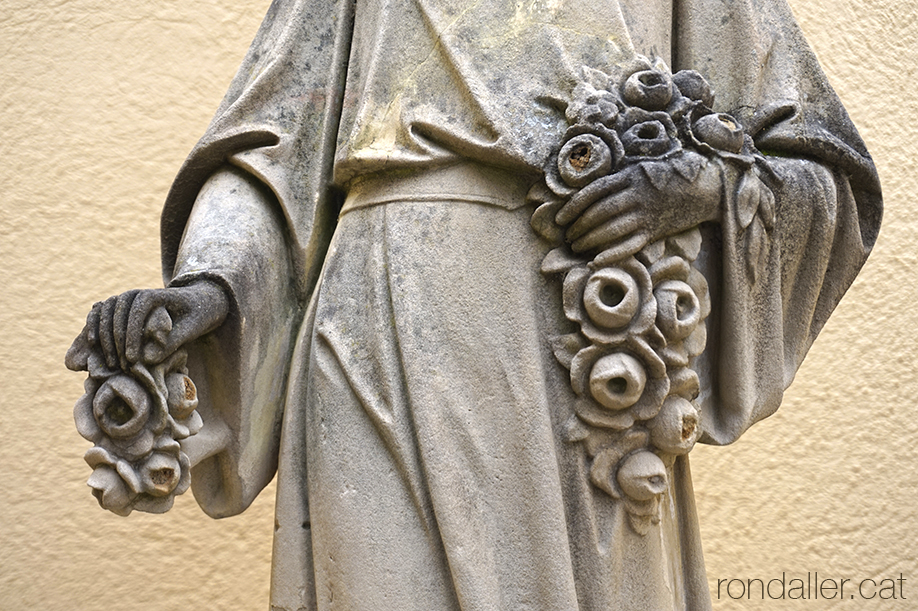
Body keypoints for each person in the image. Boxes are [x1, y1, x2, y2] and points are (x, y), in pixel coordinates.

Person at [69, 0, 881, 608]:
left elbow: (824, 167)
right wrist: (210, 281)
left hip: (579, 342)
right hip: (375, 318)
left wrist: (700, 185)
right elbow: (276, 144)